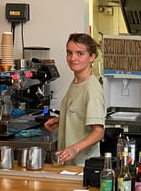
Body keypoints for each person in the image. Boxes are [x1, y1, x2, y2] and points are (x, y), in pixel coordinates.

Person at [44, 33, 105, 166]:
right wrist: (63, 120)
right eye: (69, 53)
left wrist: (74, 148)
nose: (73, 58)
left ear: (92, 57)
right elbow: (79, 113)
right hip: (70, 165)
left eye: (80, 53)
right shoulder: (77, 82)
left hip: (82, 166)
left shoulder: (91, 89)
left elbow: (99, 132)